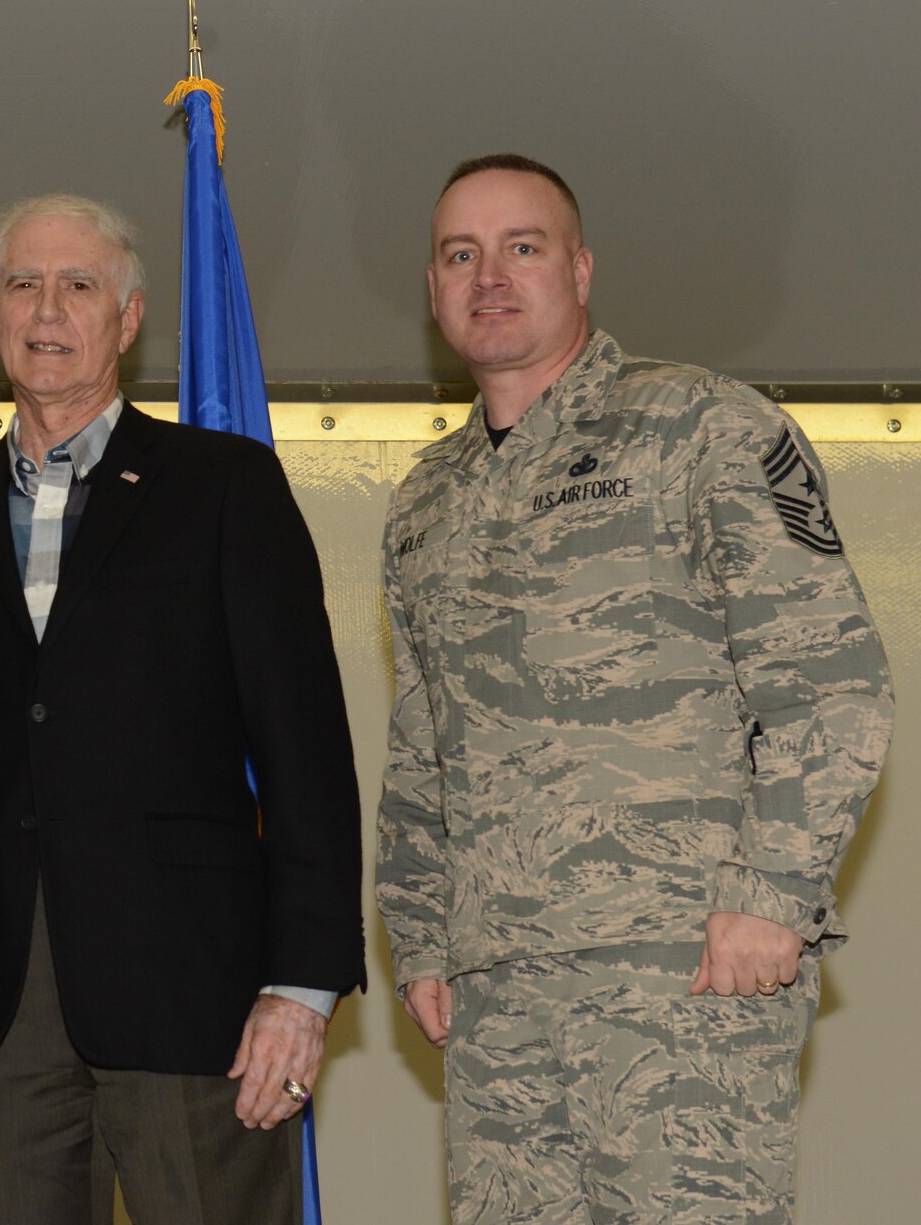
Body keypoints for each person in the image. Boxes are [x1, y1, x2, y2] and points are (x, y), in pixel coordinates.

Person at [377, 154, 894, 1223]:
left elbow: (828, 679)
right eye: (457, 254)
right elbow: (422, 741)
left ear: (578, 268)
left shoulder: (700, 426)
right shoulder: (425, 501)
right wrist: (420, 934)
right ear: (430, 290)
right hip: (497, 988)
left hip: (679, 968)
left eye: (520, 248)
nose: (488, 276)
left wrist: (769, 895)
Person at [0, 194, 365, 1223]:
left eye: (77, 284)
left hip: (197, 996)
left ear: (127, 319)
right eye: (22, 285)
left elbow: (306, 752)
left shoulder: (225, 487)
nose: (47, 308)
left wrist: (300, 988)